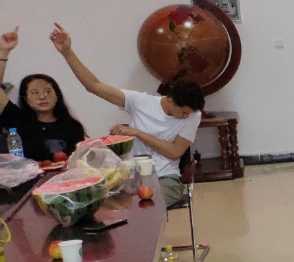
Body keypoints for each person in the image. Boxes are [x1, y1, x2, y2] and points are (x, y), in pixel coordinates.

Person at [49, 23, 203, 208]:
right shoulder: (141, 102)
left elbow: (174, 152)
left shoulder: (194, 115)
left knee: (147, 206)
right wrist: (67, 52)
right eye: (183, 112)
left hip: (165, 177)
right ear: (170, 100)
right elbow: (94, 86)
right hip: (130, 175)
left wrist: (137, 133)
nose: (186, 117)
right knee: (99, 204)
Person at [0, 27, 87, 161]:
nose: (42, 97)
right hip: (27, 174)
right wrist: (4, 51)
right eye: (35, 93)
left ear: (57, 95)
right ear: (25, 98)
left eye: (48, 91)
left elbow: (79, 162)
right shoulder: (18, 120)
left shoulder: (72, 126)